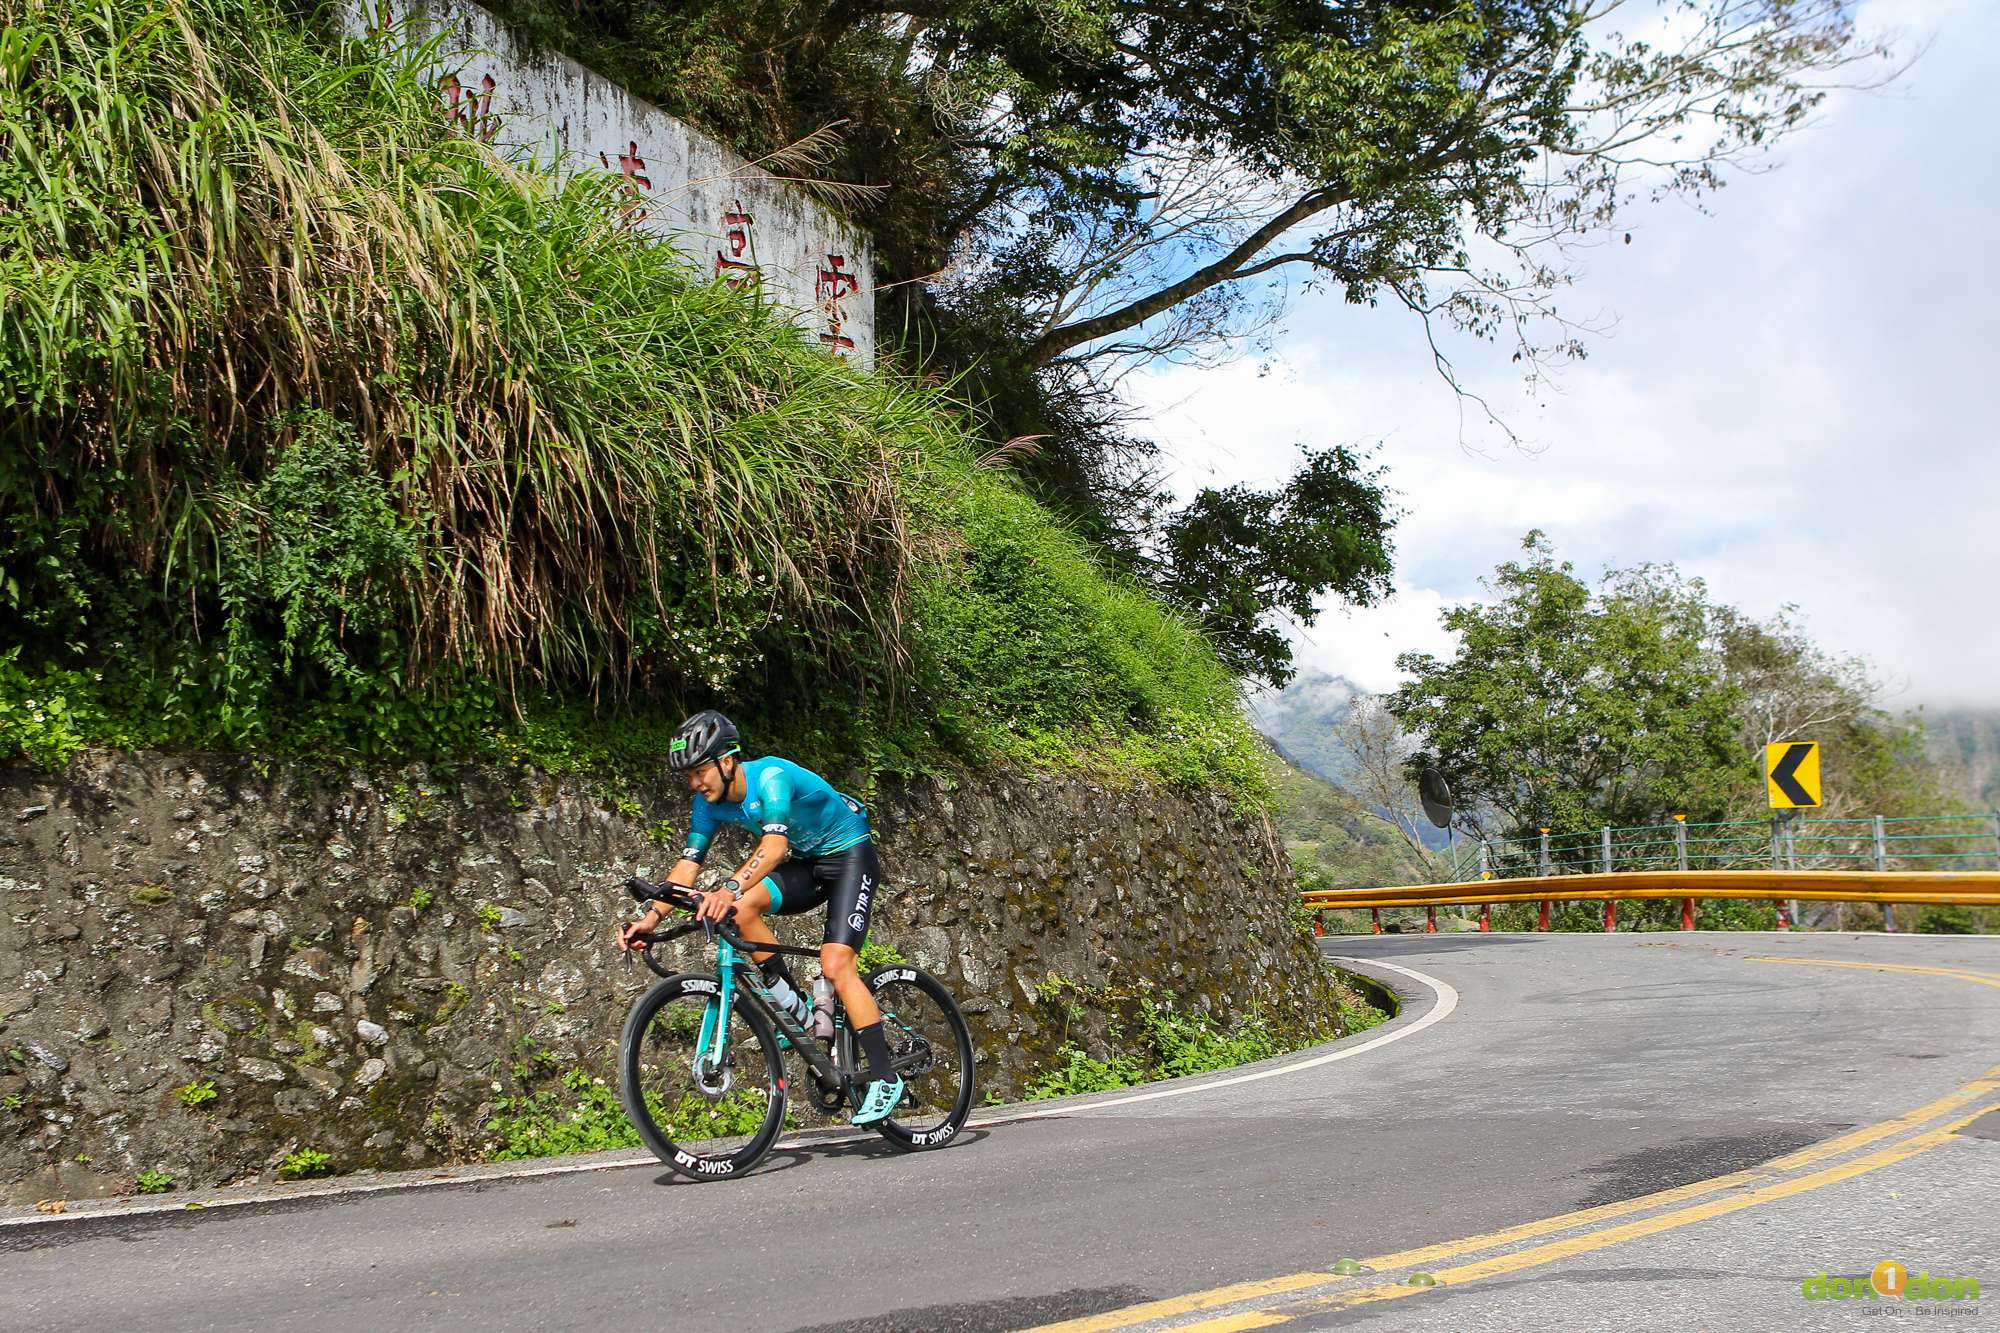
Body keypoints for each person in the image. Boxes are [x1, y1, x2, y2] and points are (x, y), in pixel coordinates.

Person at [616, 710, 905, 1125]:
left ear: (728, 760)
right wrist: (650, 918)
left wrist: (728, 887)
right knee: (740, 910)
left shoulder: (770, 777)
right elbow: (686, 867)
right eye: (689, 776)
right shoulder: (708, 805)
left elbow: (773, 847)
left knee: (836, 963)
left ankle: (885, 1075)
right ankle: (796, 1007)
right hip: (810, 862)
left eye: (700, 771)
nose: (696, 783)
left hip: (850, 856)